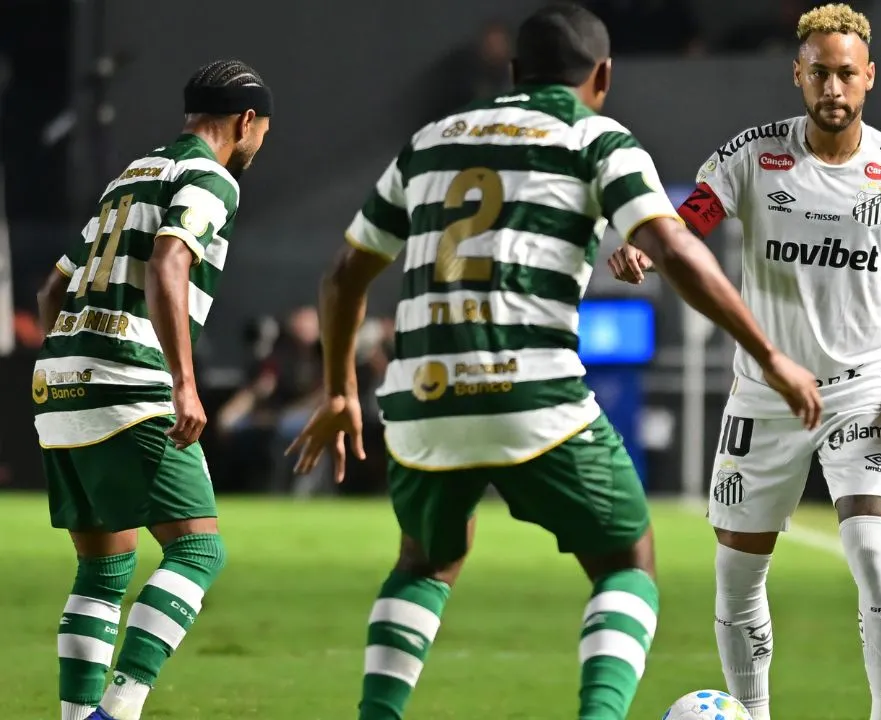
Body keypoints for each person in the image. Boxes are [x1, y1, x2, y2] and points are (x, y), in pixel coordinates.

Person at [283, 4, 820, 720]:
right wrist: (770, 355)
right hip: (530, 394)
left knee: (425, 561)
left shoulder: (432, 140)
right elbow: (675, 250)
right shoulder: (598, 138)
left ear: (511, 73)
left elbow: (345, 273)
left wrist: (340, 389)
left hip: (421, 397)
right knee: (627, 560)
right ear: (602, 75)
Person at [610, 5, 881, 719]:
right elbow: (693, 217)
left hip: (864, 390)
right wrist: (650, 243)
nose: (833, 87)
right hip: (765, 395)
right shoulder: (753, 155)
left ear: (870, 78)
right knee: (736, 577)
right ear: (797, 74)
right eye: (819, 72)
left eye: (846, 74)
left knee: (874, 555)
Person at [30, 60, 271, 720]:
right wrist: (185, 383)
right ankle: (119, 710)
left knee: (104, 571)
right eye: (262, 133)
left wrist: (78, 363)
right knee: (198, 549)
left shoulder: (129, 177)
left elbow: (53, 288)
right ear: (244, 122)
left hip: (60, 382)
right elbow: (171, 259)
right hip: (130, 381)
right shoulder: (209, 176)